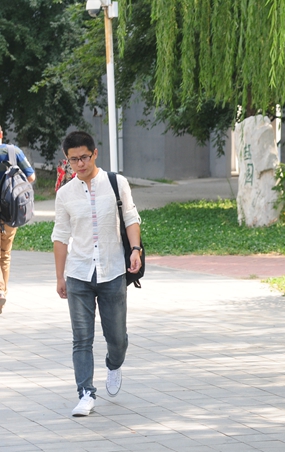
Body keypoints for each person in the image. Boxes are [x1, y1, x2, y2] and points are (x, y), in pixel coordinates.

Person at [51, 131, 142, 417]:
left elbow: (131, 218)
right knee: (81, 338)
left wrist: (135, 250)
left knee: (117, 338)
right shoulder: (65, 194)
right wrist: (60, 276)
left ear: (95, 154)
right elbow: (60, 236)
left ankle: (114, 364)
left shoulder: (116, 183)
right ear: (67, 160)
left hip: (112, 271)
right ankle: (86, 393)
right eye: (73, 159)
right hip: (79, 273)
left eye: (84, 157)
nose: (79, 164)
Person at [0, 125, 36, 314]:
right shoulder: (13, 152)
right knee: (5, 254)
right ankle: (2, 293)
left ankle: (0, 291)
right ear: (1, 134)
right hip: (10, 212)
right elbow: (31, 177)